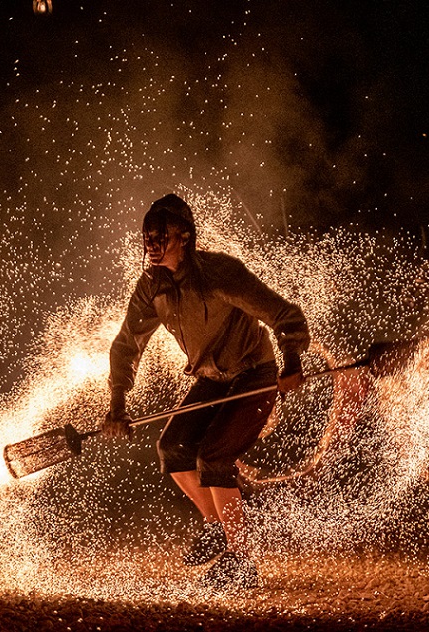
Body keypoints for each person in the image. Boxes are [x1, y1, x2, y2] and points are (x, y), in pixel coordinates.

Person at [102, 193, 310, 590]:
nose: (152, 243)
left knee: (214, 456)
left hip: (253, 374)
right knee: (173, 448)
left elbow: (283, 313)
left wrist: (292, 363)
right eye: (147, 236)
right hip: (213, 379)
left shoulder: (219, 274)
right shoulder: (151, 288)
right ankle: (216, 524)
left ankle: (242, 559)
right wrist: (117, 405)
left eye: (160, 235)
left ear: (185, 236)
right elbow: (127, 345)